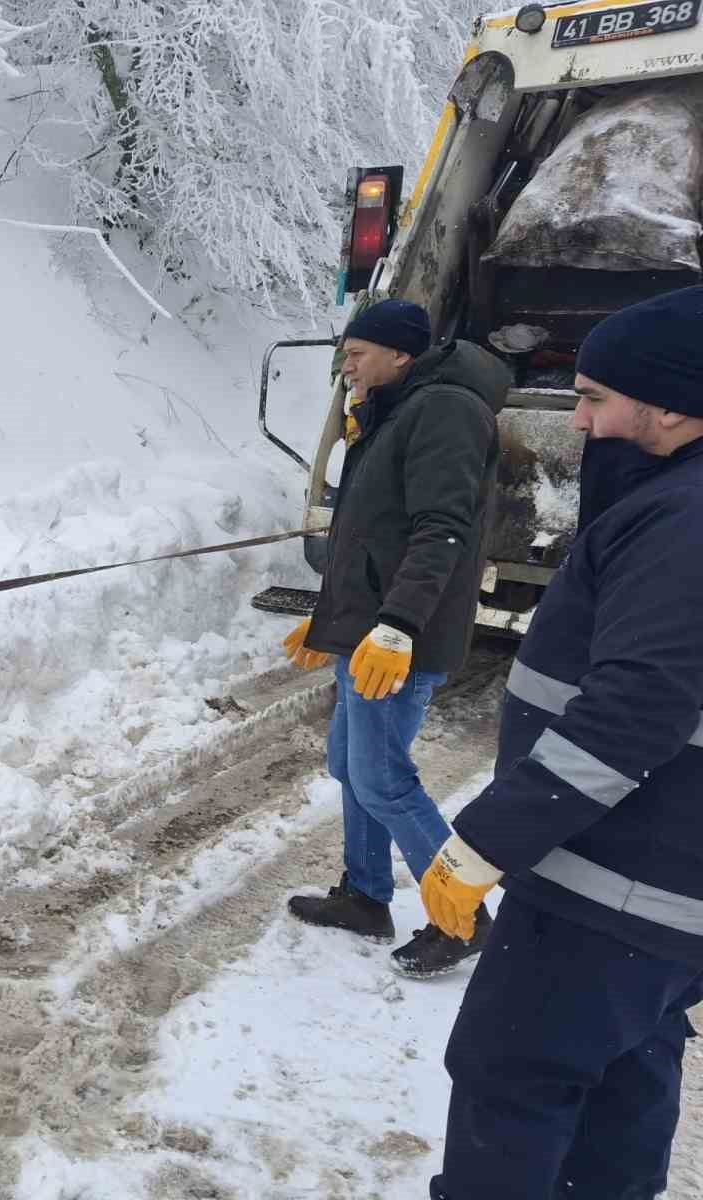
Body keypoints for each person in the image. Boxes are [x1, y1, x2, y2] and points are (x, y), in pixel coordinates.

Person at [423, 286, 703, 1200]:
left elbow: (633, 711)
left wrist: (489, 841)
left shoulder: (683, 520)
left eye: (593, 398)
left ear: (669, 404)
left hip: (613, 887)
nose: (577, 419)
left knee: (514, 1079)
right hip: (663, 893)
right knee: (625, 1080)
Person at [282, 298, 509, 977]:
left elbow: (442, 529)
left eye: (356, 354)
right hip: (371, 629)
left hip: (399, 638)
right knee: (352, 766)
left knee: (382, 778)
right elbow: (370, 533)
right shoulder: (393, 412)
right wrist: (333, 617)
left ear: (400, 355)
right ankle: (365, 896)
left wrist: (397, 625)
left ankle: (461, 916)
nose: (345, 366)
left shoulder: (445, 411)